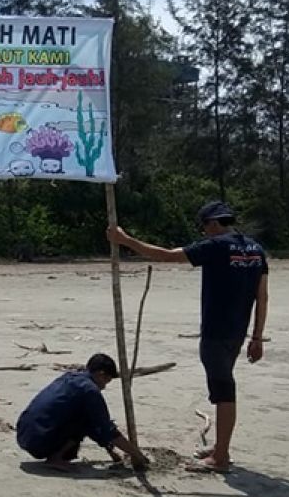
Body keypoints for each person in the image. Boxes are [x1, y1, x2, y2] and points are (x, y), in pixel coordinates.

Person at [107, 200, 269, 473]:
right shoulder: (255, 249)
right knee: (223, 387)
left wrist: (125, 240)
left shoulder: (216, 246)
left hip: (217, 331)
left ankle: (221, 457)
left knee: (223, 392)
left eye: (205, 226)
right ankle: (220, 448)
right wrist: (257, 336)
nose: (204, 232)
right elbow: (262, 296)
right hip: (238, 331)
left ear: (214, 223)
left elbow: (167, 256)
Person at [16, 353, 150, 471]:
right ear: (100, 374)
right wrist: (137, 454)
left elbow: (97, 425)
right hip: (40, 439)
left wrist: (111, 451)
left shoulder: (70, 376)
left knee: (85, 414)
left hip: (25, 434)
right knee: (85, 418)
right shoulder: (89, 390)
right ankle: (55, 458)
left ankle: (56, 455)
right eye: (106, 381)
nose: (104, 387)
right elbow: (106, 428)